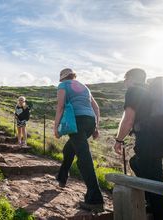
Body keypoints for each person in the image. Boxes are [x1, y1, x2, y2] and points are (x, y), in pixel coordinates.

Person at [113, 68, 163, 219]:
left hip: (148, 140)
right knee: (139, 165)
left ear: (131, 78)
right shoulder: (150, 92)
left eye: (125, 79)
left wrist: (119, 140)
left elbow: (128, 120)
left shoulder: (133, 91)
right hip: (161, 139)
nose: (125, 82)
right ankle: (152, 205)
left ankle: (159, 213)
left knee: (154, 182)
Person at [53, 68, 103, 212]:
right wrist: (96, 127)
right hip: (90, 122)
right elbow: (96, 108)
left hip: (76, 122)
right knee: (69, 148)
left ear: (62, 78)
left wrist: (56, 127)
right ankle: (62, 177)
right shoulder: (84, 87)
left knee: (84, 157)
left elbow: (60, 106)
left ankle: (95, 199)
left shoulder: (63, 86)